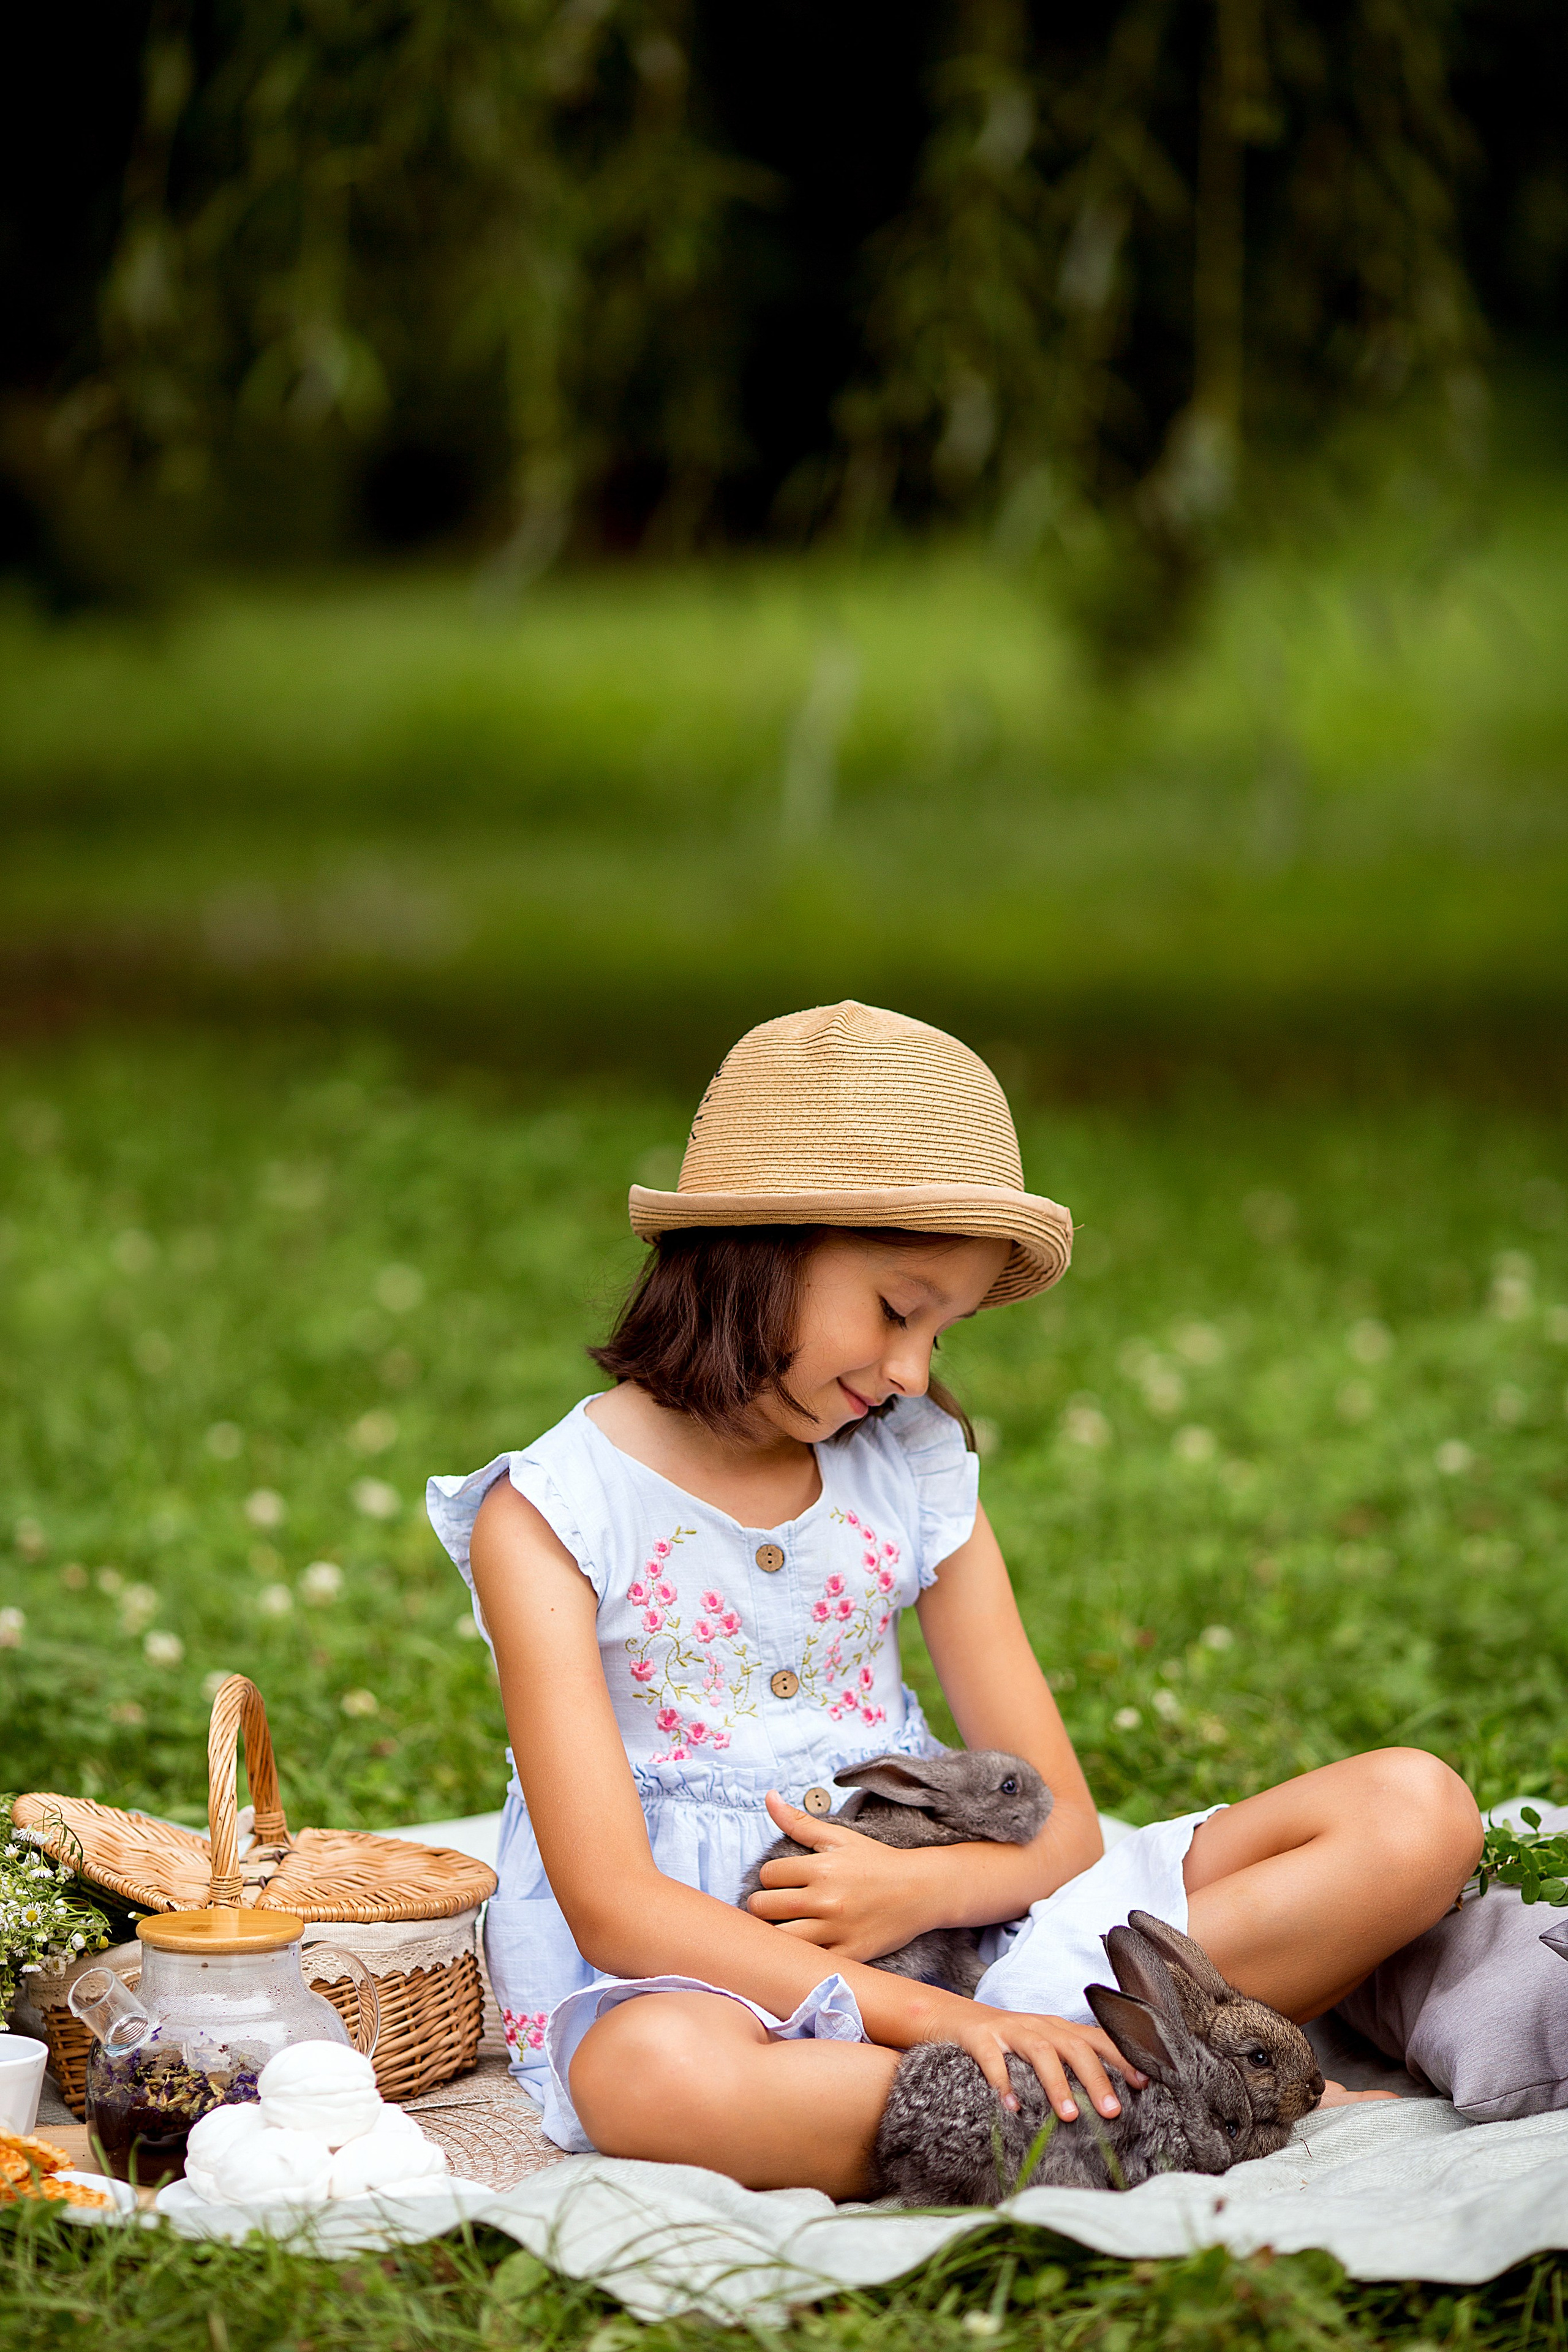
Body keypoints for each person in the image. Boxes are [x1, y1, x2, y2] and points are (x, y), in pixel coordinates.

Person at [428, 1001, 1482, 2197]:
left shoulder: (912, 1469)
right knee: (656, 2082)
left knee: (1417, 1813)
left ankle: (1050, 2083)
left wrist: (921, 1895)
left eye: (945, 1328)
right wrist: (933, 2023)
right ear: (760, 1245)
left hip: (982, 1921)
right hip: (720, 1972)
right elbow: (618, 1911)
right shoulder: (553, 1513)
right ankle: (1122, 2098)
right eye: (895, 1307)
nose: (914, 1372)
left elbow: (1064, 1828)